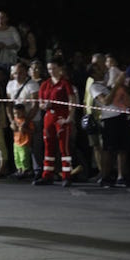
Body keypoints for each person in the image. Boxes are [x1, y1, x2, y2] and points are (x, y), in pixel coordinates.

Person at [34, 57, 77, 187]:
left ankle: (66, 176)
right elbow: (40, 103)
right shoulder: (45, 84)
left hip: (61, 118)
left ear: (60, 69)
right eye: (49, 69)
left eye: (53, 68)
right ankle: (47, 175)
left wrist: (70, 117)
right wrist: (44, 105)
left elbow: (72, 100)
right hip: (48, 118)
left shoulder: (65, 84)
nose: (51, 71)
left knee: (64, 148)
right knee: (48, 147)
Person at [11, 103, 34, 178]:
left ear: (23, 112)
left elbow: (32, 131)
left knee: (24, 157)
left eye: (18, 113)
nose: (17, 115)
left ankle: (26, 170)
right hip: (16, 142)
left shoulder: (26, 121)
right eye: (15, 113)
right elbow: (12, 127)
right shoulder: (15, 120)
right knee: (16, 158)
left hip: (24, 142)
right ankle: (19, 169)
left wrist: (25, 129)